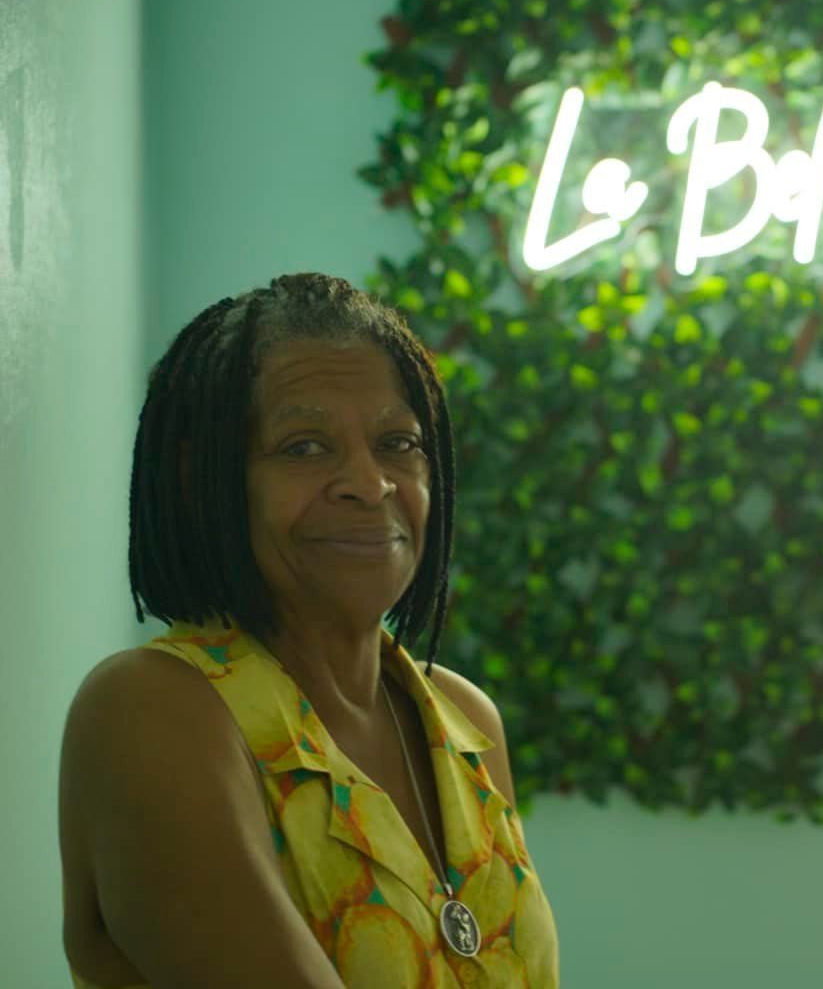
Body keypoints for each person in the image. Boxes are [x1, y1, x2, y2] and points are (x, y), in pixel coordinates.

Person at [58, 273, 560, 987]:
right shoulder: (154, 710)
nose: (370, 481)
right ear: (205, 481)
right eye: (303, 447)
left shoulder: (464, 720)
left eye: (397, 442)